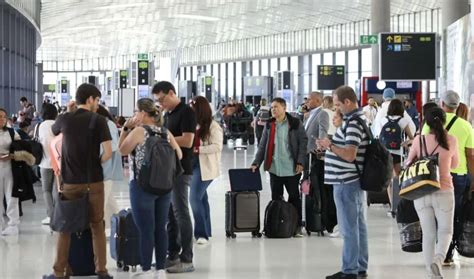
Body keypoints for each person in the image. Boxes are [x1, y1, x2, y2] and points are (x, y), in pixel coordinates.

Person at [45, 83, 113, 279]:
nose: (98, 104)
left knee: (65, 227)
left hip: (70, 183)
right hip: (94, 182)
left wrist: (68, 112)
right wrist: (95, 162)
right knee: (97, 226)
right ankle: (101, 270)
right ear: (90, 99)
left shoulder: (64, 118)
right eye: (97, 100)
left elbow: (54, 136)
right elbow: (108, 153)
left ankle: (59, 272)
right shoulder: (99, 121)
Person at [118, 98, 182, 278]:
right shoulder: (165, 132)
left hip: (142, 186)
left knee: (145, 229)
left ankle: (146, 269)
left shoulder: (139, 131)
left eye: (136, 111)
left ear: (143, 114)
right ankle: (160, 269)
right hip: (165, 187)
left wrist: (125, 129)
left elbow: (122, 150)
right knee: (160, 227)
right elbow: (179, 153)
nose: (134, 115)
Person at [317, 86, 369, 279]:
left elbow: (349, 154)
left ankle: (349, 270)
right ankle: (359, 265)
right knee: (358, 226)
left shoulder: (353, 123)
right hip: (350, 182)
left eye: (338, 104)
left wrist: (330, 145)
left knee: (348, 228)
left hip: (346, 181)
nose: (336, 108)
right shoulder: (357, 119)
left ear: (348, 102)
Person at [421, 91, 474, 266]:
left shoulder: (429, 125)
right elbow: (470, 155)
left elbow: (422, 149)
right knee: (454, 215)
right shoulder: (466, 126)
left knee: (434, 216)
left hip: (433, 176)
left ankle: (437, 253)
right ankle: (447, 253)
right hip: (458, 177)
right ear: (457, 106)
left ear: (442, 104)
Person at [406, 107, 458, 279]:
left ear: (426, 122)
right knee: (445, 231)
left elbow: (408, 164)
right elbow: (455, 165)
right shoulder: (451, 140)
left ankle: (432, 274)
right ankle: (438, 260)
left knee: (428, 234)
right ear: (443, 121)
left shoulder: (418, 140)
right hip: (444, 190)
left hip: (421, 191)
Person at [152, 81, 196, 273]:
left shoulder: (186, 112)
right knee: (170, 215)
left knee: (181, 212)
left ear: (172, 93)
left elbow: (188, 140)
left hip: (181, 170)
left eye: (162, 99)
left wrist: (161, 137)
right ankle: (173, 254)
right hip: (168, 170)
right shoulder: (168, 114)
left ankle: (187, 259)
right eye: (157, 102)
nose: (161, 104)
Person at [251, 97, 308, 237]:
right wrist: (256, 162)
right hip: (275, 168)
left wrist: (301, 162)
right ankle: (277, 225)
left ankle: (296, 226)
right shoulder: (270, 125)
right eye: (272, 107)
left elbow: (303, 143)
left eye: (276, 107)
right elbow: (263, 145)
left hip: (291, 168)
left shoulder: (295, 123)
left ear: (284, 108)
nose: (273, 109)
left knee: (294, 197)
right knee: (276, 197)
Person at [189, 96, 223, 245]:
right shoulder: (191, 124)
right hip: (191, 165)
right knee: (202, 199)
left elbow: (217, 146)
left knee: (194, 198)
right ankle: (207, 230)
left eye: (193, 107)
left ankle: (201, 233)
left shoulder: (213, 126)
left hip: (205, 167)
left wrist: (198, 149)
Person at [379, 99, 414, 213]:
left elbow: (380, 136)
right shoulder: (403, 121)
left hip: (385, 152)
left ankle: (392, 206)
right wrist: (404, 144)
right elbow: (411, 138)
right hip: (397, 152)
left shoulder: (383, 120)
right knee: (398, 177)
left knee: (388, 180)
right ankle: (400, 204)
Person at [96, 105, 122, 231]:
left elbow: (112, 147)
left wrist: (97, 158)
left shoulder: (109, 125)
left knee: (102, 201)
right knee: (109, 200)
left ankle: (101, 229)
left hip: (106, 168)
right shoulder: (103, 124)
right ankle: (121, 225)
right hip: (103, 168)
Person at [0, 108, 21, 236]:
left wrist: (12, 156)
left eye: (3, 116)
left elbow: (21, 149)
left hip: (9, 168)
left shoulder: (13, 133)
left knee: (11, 196)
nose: (1, 119)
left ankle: (13, 225)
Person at [37, 103, 59, 225]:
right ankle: (57, 215)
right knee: (56, 190)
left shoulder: (40, 126)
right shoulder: (57, 125)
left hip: (44, 163)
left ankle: (50, 216)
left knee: (46, 190)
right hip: (58, 163)